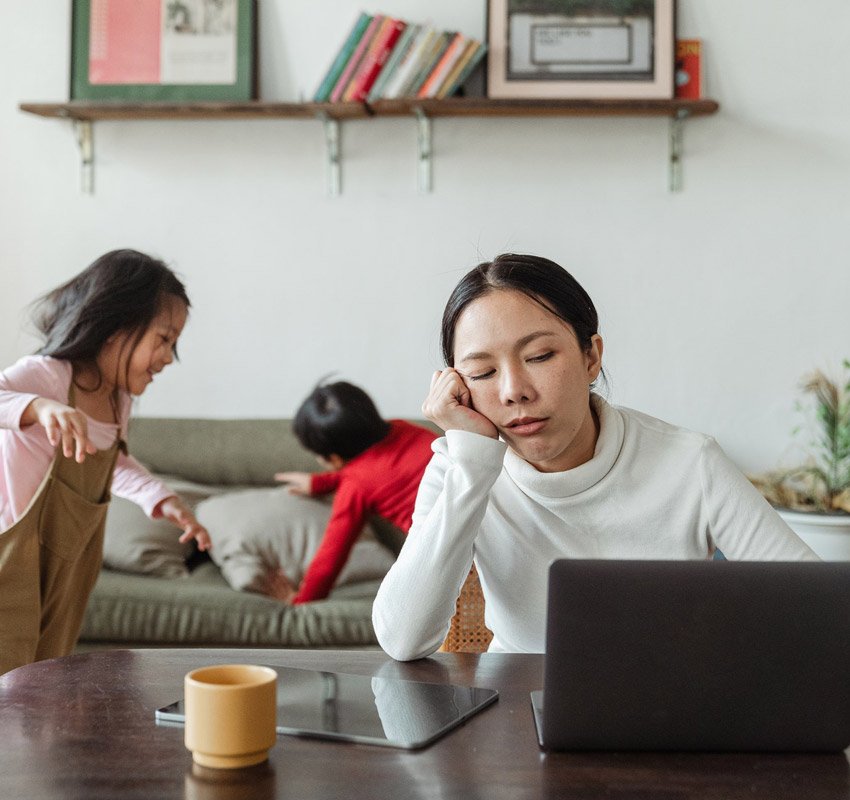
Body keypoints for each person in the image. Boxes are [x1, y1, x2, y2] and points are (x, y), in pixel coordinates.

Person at [372, 253, 817, 661]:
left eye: (539, 355)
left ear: (591, 357)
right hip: (515, 712)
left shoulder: (689, 462)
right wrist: (472, 462)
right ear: (458, 385)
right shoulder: (461, 465)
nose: (513, 391)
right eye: (482, 372)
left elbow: (815, 605)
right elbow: (403, 639)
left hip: (669, 707)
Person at [0, 248, 211, 674]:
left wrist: (162, 499)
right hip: (12, 559)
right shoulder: (48, 375)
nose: (169, 357)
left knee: (44, 677)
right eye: (164, 339)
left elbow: (113, 462)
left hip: (71, 569)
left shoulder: (118, 402)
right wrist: (38, 408)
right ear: (116, 328)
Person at [271, 380, 437, 604]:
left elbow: (331, 556)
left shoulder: (355, 487)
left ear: (334, 458)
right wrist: (321, 483)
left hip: (444, 554)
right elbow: (383, 468)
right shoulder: (403, 428)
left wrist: (302, 599)